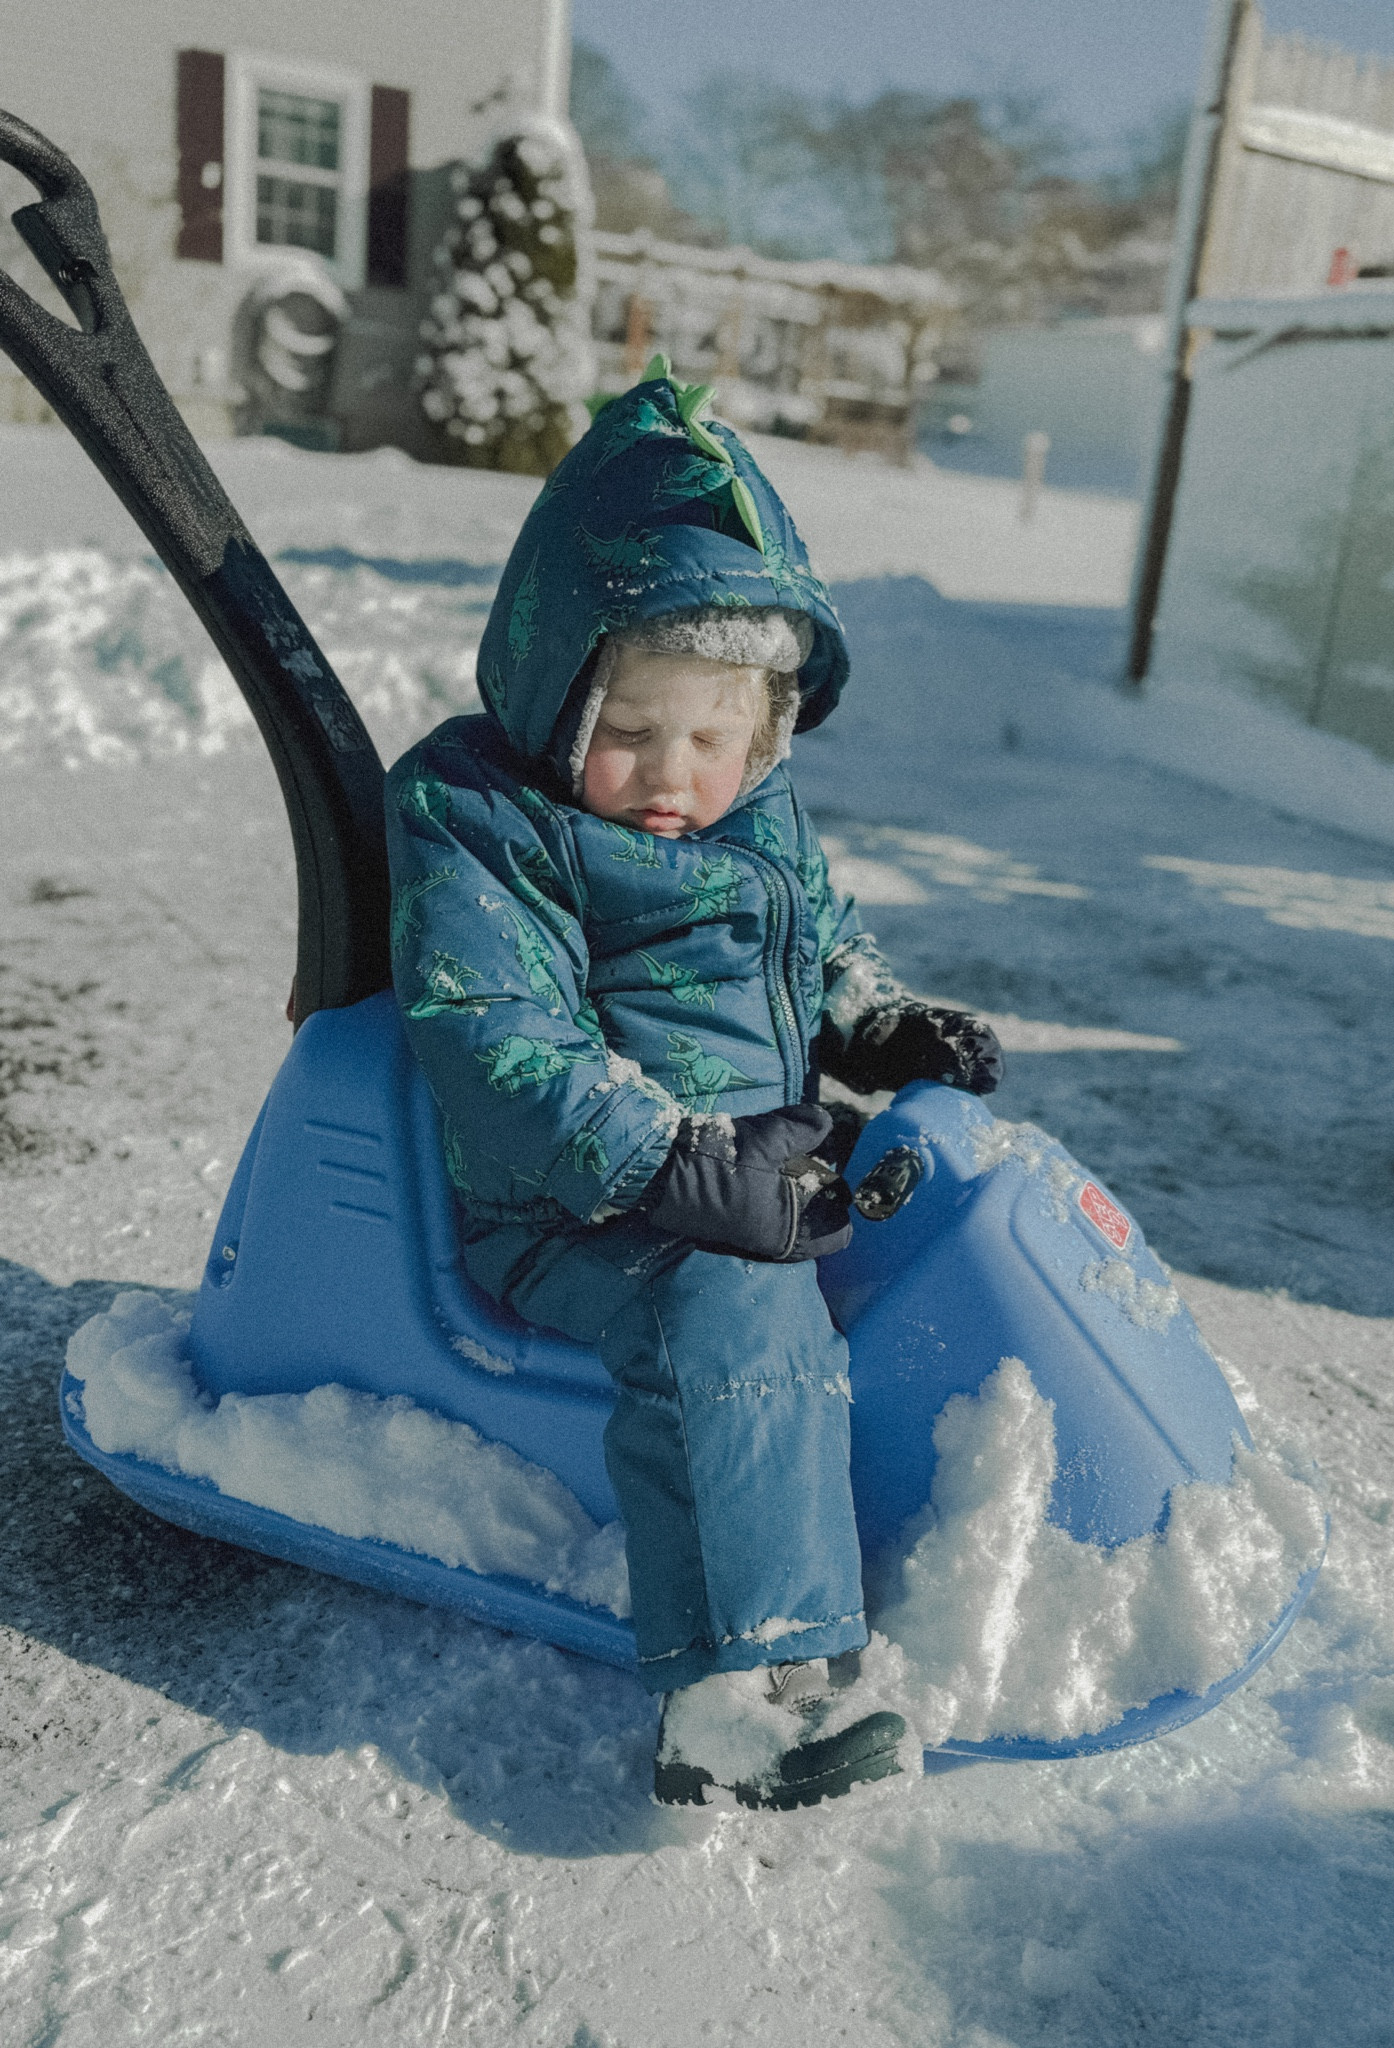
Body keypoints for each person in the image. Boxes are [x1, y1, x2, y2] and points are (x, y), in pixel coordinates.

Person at [384, 360, 1002, 1810]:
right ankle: (737, 1696)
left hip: (745, 1156)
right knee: (726, 1300)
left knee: (939, 1197)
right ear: (557, 695)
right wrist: (667, 1166)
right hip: (573, 1203)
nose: (674, 774)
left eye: (714, 739)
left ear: (766, 729)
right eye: (629, 732)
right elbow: (492, 1031)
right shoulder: (484, 816)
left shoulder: (757, 813)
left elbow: (818, 939)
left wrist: (880, 1024)